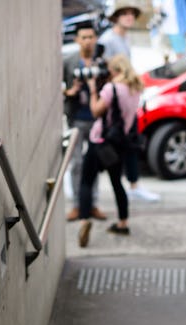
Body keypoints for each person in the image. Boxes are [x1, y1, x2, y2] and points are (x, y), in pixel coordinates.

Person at [77, 54, 143, 247]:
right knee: (116, 182)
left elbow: (96, 111)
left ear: (116, 71)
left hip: (100, 142)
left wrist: (92, 90)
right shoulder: (135, 89)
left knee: (86, 181)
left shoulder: (111, 88)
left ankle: (84, 220)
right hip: (119, 144)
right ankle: (123, 222)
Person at [99, 4, 161, 202]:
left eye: (131, 14)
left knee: (130, 142)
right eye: (124, 14)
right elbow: (106, 68)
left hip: (127, 97)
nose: (128, 18)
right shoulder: (108, 39)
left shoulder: (125, 37)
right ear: (116, 17)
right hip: (116, 99)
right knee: (114, 143)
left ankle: (133, 185)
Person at [62, 22, 108, 223]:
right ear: (77, 40)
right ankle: (77, 205)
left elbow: (110, 88)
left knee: (93, 163)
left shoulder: (101, 62)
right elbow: (57, 84)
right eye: (84, 37)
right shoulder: (69, 61)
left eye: (91, 36)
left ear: (96, 38)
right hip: (77, 117)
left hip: (97, 119)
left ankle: (92, 203)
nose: (88, 40)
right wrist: (68, 91)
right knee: (76, 163)